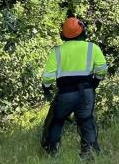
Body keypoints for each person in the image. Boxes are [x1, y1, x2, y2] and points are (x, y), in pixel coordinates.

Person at [41, 14, 108, 156]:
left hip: (66, 94)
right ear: (83, 32)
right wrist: (96, 81)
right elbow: (102, 68)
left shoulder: (57, 51)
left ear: (63, 35)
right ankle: (90, 153)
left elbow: (47, 77)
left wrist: (46, 88)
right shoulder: (92, 48)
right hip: (87, 92)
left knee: (57, 121)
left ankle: (52, 152)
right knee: (86, 120)